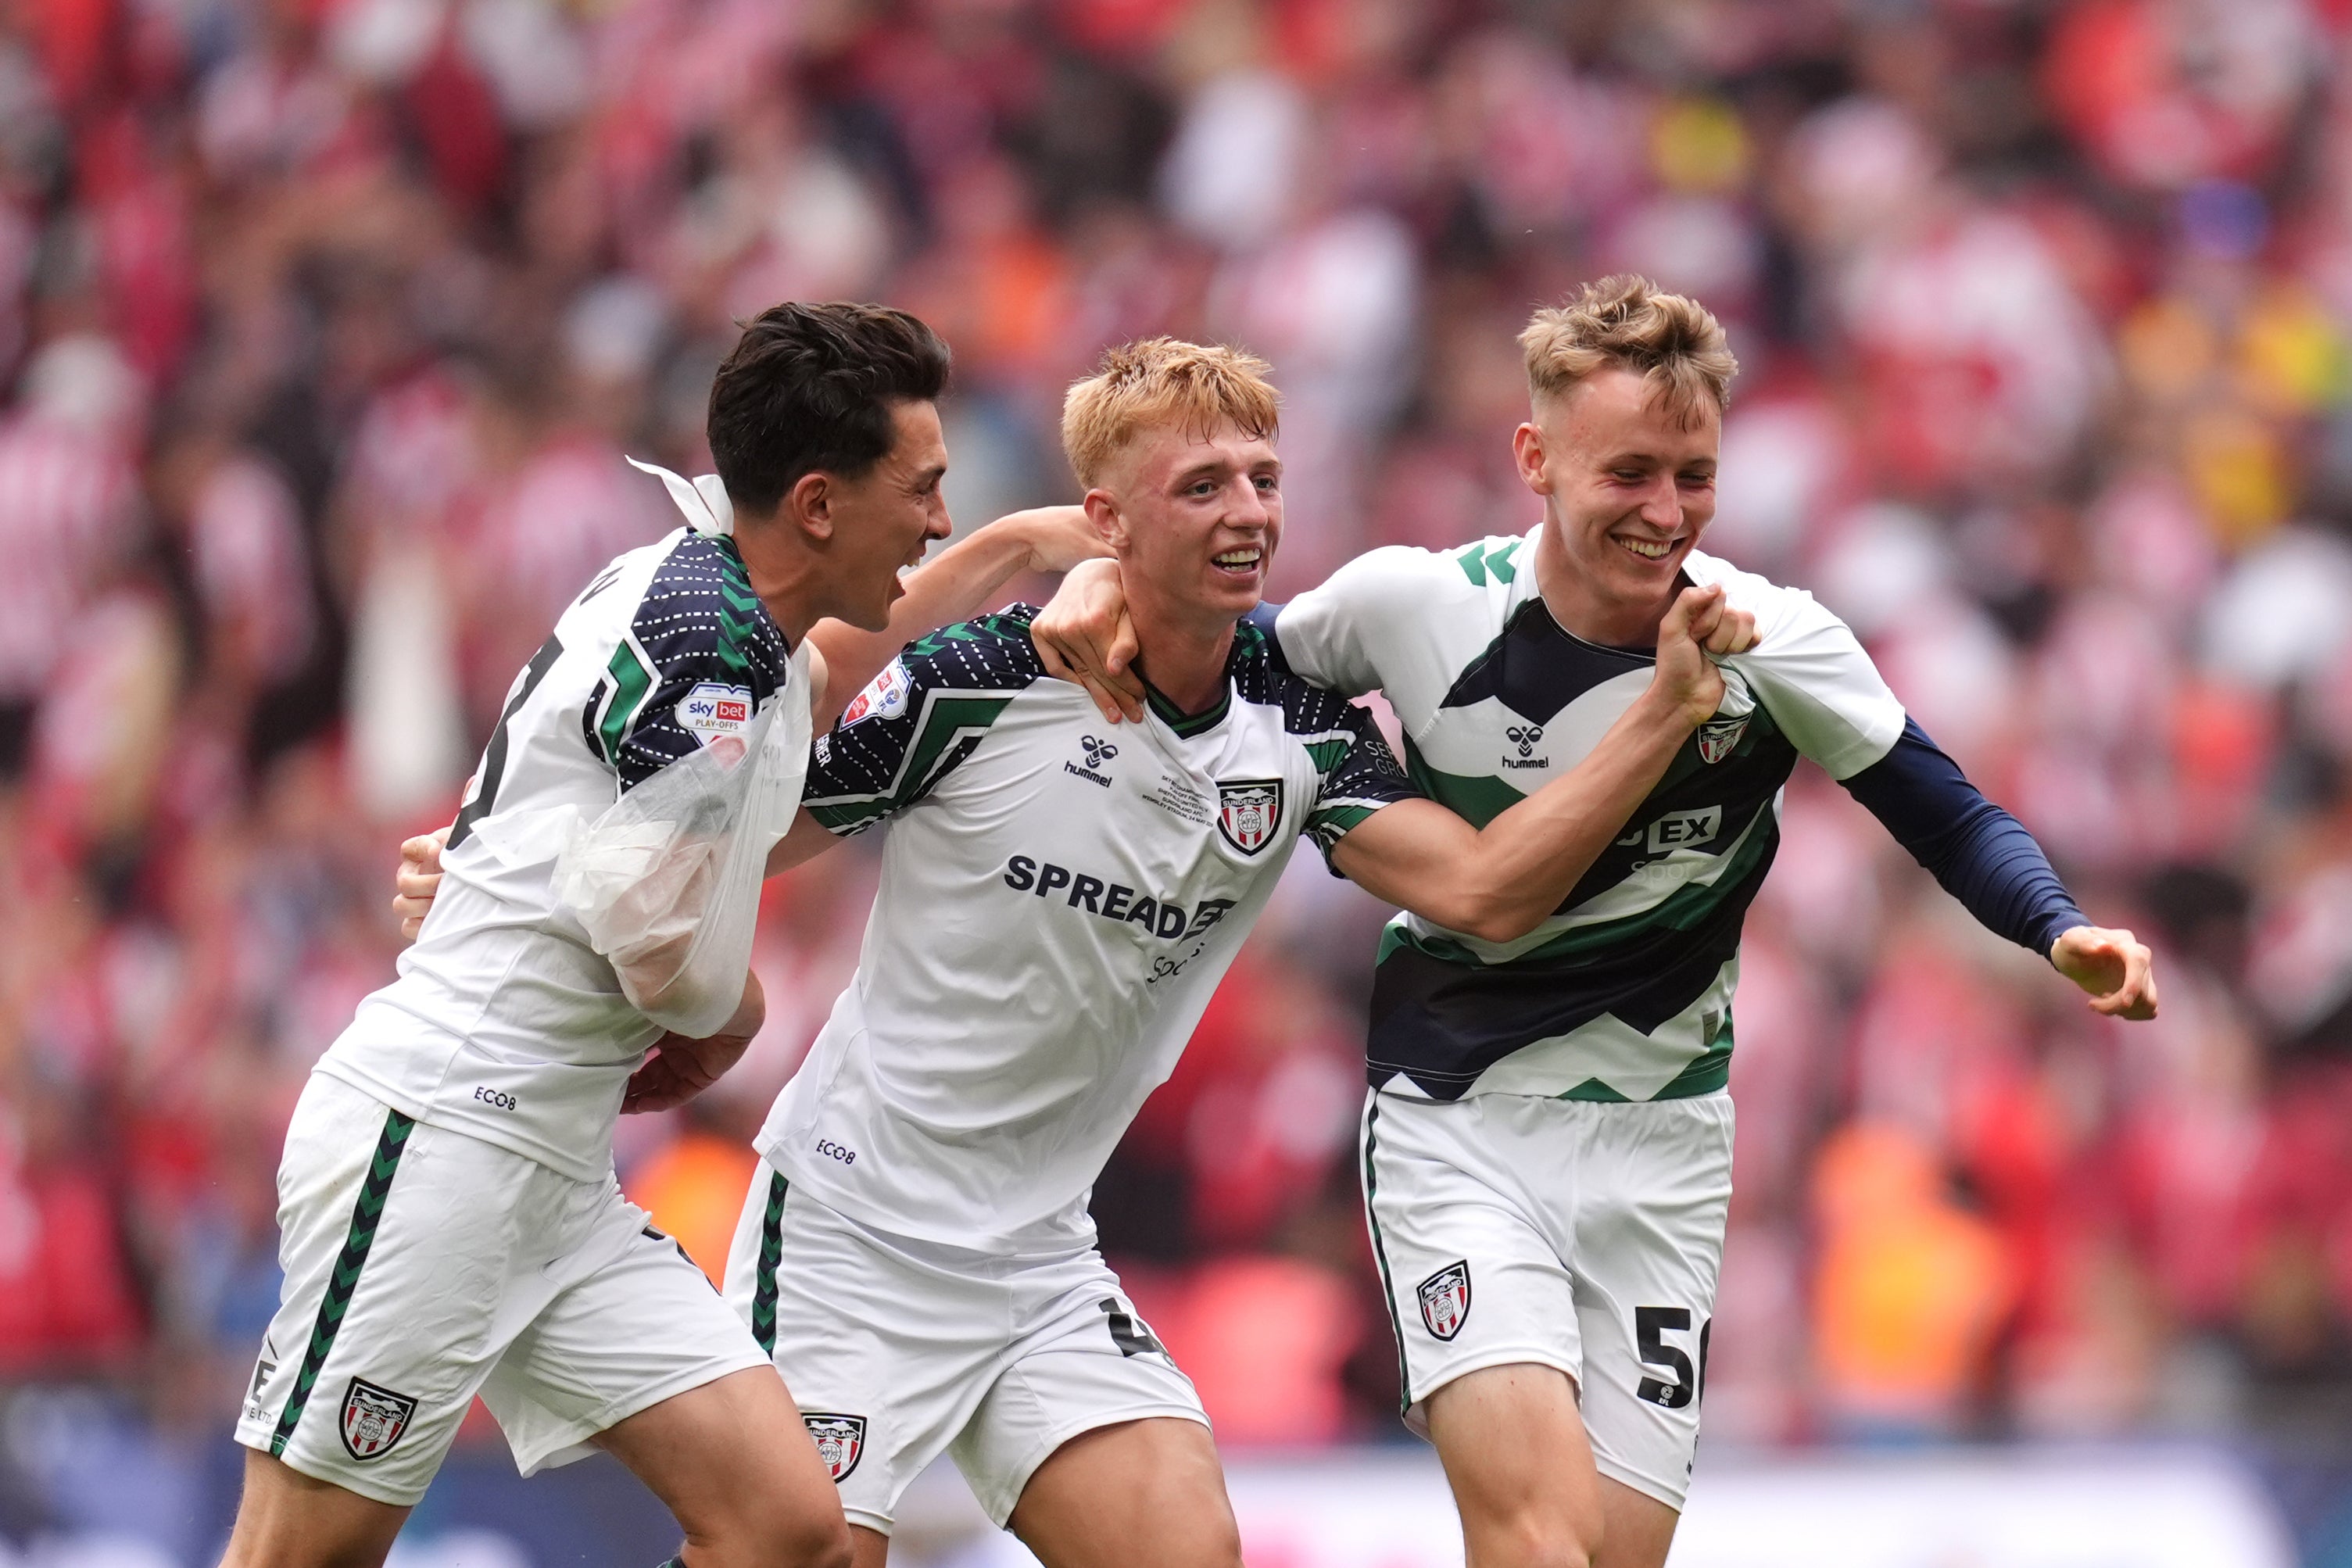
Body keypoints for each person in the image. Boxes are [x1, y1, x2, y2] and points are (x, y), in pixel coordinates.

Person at [396, 335, 1756, 1566]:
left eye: (1262, 479)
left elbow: (1485, 889)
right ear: (1107, 519)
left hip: (1040, 1255)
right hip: (853, 1238)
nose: (1248, 515)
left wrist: (1658, 716)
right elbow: (732, 827)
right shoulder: (979, 678)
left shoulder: (1293, 718)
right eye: (1202, 487)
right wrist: (501, 873)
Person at [1029, 278, 2160, 1568]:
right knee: (1536, 1543)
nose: (1665, 512)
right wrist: (1093, 583)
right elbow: (1216, 639)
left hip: (1662, 1148)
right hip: (1461, 1124)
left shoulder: (1774, 641)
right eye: (1628, 471)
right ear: (1534, 459)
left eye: (1694, 475)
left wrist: (2057, 927)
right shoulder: (1413, 605)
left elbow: (1946, 811)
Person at [227, 301, 1105, 1568]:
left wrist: (1020, 543)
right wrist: (734, 1011)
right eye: (922, 489)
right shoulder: (714, 646)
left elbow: (837, 656)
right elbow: (659, 947)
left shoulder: (712, 596)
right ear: (816, 503)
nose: (936, 521)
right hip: (443, 1138)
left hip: (555, 1167)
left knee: (784, 1523)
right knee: (300, 1555)